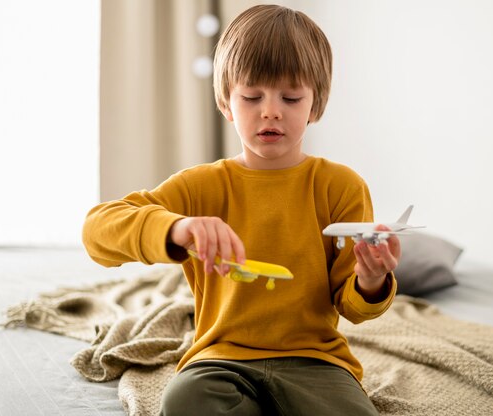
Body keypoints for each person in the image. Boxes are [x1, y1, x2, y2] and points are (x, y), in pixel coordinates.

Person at [83, 4, 401, 415]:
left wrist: (371, 279)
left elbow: (353, 307)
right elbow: (97, 231)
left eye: (291, 97)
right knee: (183, 401)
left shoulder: (341, 186)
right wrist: (175, 229)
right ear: (226, 103)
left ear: (316, 105)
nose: (270, 110)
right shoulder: (201, 186)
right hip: (219, 360)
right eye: (252, 96)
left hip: (317, 362)